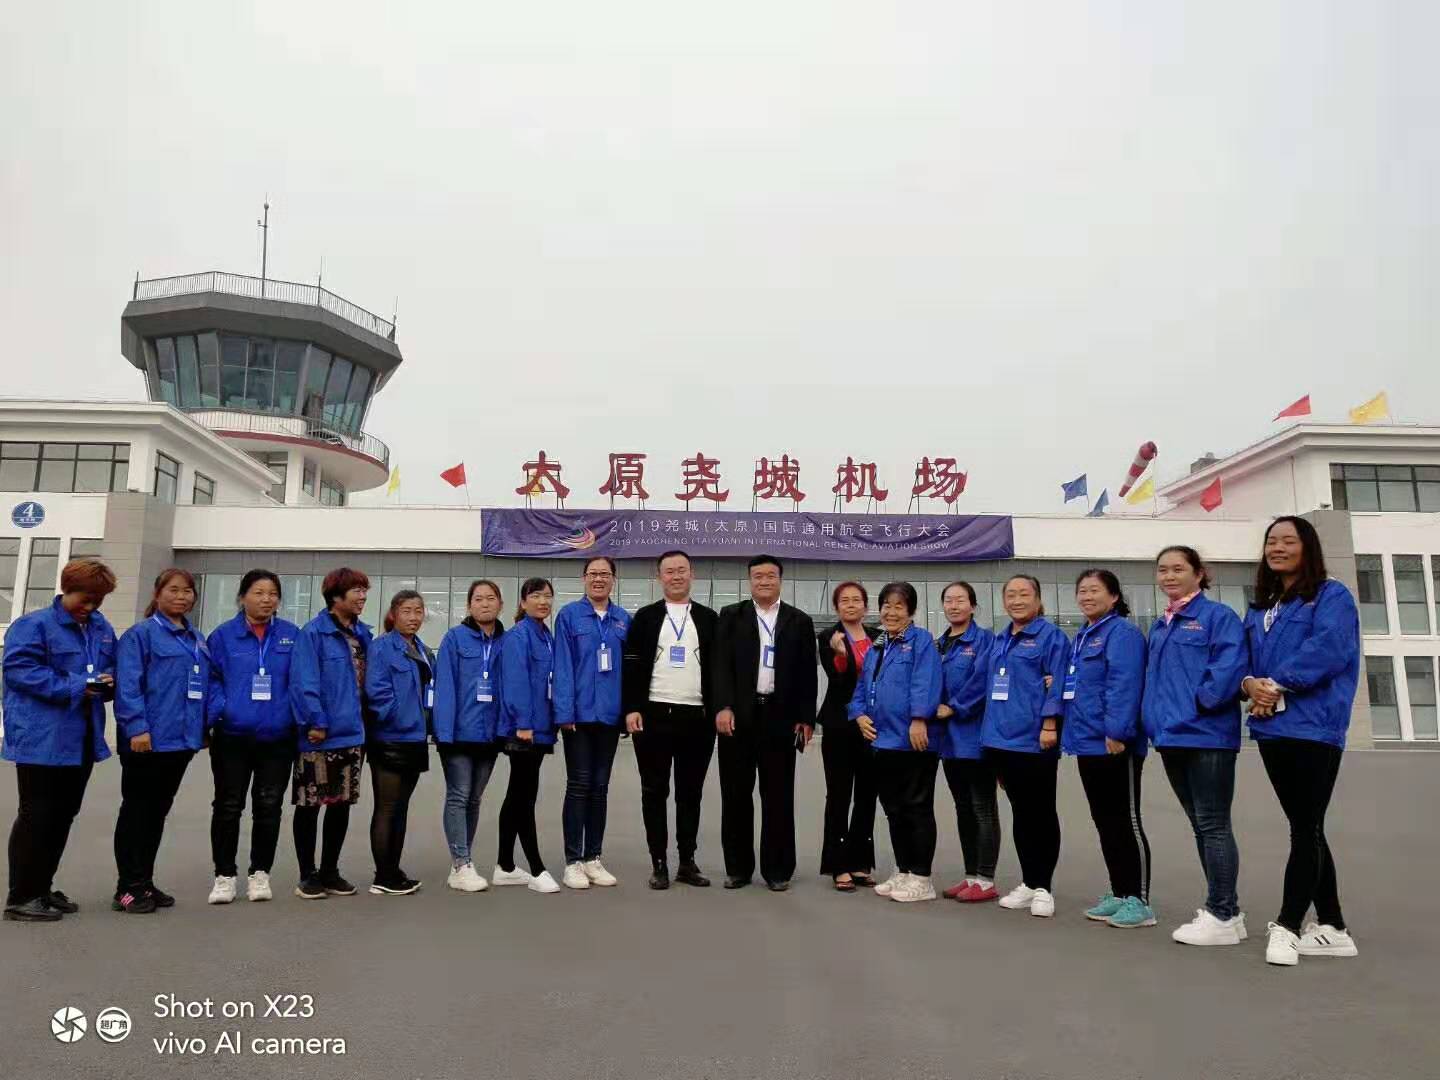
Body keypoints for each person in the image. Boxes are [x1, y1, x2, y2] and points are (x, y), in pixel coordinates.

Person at [1241, 516, 1361, 966]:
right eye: (1271, 541)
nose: (1277, 548)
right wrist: (1251, 684)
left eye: (1288, 541)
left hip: (1314, 727)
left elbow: (1329, 649)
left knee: (1304, 827)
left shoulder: (1331, 596)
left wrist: (1275, 684)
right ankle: (1333, 926)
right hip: (1272, 728)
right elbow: (1244, 659)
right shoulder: (1263, 607)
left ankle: (1289, 925)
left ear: (1307, 547)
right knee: (1307, 825)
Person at [2, 558, 118, 922]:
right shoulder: (34, 625)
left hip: (82, 736)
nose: (91, 605)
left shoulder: (100, 627)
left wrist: (108, 682)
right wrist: (78, 685)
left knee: (63, 815)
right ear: (67, 589)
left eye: (98, 599)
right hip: (42, 736)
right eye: (85, 597)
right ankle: (21, 896)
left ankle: (42, 887)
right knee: (36, 815)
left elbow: (111, 666)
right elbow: (19, 671)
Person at [1143, 545, 1248, 946]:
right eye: (1162, 570)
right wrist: (1154, 721)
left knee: (1213, 824)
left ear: (1199, 574)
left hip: (1207, 735)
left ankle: (1222, 913)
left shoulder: (1217, 617)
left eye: (1178, 569)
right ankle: (1226, 911)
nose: (1169, 576)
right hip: (1171, 736)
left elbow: (1228, 670)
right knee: (1200, 825)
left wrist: (1200, 705)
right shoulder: (1161, 624)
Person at [713, 554, 818, 891]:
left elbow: (807, 673)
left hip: (780, 718)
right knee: (735, 795)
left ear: (780, 580)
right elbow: (720, 666)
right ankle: (738, 869)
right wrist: (722, 707)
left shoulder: (799, 621)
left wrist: (806, 718)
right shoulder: (731, 616)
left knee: (778, 796)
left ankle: (778, 870)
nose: (764, 581)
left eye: (770, 576)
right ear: (750, 581)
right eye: (757, 576)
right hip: (738, 717)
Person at [113, 568, 214, 914]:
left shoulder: (196, 638)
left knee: (156, 813)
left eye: (187, 591)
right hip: (146, 740)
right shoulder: (140, 635)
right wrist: (136, 728)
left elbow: (203, 687)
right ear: (157, 594)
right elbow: (128, 686)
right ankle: (126, 887)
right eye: (174, 590)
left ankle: (144, 880)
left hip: (180, 742)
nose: (181, 596)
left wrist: (203, 727)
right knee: (136, 812)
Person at [622, 550, 720, 890]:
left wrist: (719, 709)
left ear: (692, 574)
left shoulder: (709, 618)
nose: (676, 576)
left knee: (690, 793)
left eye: (681, 570)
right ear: (659, 577)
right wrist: (631, 708)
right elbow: (631, 664)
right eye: (669, 571)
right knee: (654, 791)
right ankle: (659, 863)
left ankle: (687, 862)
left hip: (697, 718)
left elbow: (719, 670)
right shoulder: (646, 617)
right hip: (653, 716)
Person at [1061, 570, 1153, 928]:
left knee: (1126, 820)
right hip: (1087, 741)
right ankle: (1119, 891)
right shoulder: (1084, 636)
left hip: (1114, 741)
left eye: (1094, 590)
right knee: (1105, 821)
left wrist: (1117, 731)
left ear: (1114, 597)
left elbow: (1124, 683)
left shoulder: (1122, 633)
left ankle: (1139, 900)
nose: (1086, 596)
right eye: (1082, 591)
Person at [204, 570, 300, 905]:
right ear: (242, 597)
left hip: (277, 737)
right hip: (232, 735)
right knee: (228, 806)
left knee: (269, 805)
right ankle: (224, 875)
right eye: (259, 592)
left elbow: (299, 681)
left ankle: (260, 873)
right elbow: (212, 679)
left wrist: (293, 717)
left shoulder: (290, 636)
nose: (266, 600)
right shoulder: (223, 636)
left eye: (273, 593)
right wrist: (221, 710)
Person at [848, 582, 943, 902]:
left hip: (913, 741)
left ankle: (922, 878)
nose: (891, 612)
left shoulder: (921, 641)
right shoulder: (878, 645)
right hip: (882, 742)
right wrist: (858, 714)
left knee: (917, 807)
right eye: (886, 606)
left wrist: (919, 718)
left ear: (911, 611)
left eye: (898, 606)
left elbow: (926, 682)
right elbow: (862, 687)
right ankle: (904, 870)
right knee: (894, 809)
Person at [980, 574, 1068, 918]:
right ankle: (1029, 882)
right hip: (1001, 740)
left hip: (1034, 739)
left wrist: (1050, 723)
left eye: (1024, 594)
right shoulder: (1001, 638)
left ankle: (1044, 887)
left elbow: (1058, 683)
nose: (1017, 600)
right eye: (1011, 595)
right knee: (1020, 813)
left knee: (1041, 812)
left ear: (1038, 599)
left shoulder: (1051, 637)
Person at [289, 567, 374, 901]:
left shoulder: (363, 634)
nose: (363, 596)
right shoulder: (313, 633)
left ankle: (330, 871)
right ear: (336, 596)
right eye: (356, 590)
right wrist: (316, 721)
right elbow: (304, 682)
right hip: (320, 734)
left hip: (354, 734)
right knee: (310, 804)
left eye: (365, 590)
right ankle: (307, 874)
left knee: (341, 805)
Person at [553, 556, 631, 890]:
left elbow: (629, 670)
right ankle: (572, 861)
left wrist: (627, 712)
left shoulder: (623, 619)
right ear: (584, 578)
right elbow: (562, 665)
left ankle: (593, 857)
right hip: (579, 716)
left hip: (610, 715)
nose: (598, 579)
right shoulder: (569, 616)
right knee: (579, 785)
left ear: (613, 579)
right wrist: (564, 712)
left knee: (600, 788)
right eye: (593, 574)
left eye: (605, 574)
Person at [432, 579, 505, 893]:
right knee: (459, 795)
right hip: (459, 733)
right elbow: (445, 686)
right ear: (469, 605)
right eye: (478, 599)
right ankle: (462, 863)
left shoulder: (506, 641)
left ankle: (461, 863)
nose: (484, 604)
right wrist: (444, 733)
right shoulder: (455, 638)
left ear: (500, 604)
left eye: (490, 598)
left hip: (490, 734)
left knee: (474, 798)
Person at [363, 590, 435, 896]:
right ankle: (382, 875)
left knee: (401, 808)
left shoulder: (423, 649)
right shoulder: (381, 647)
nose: (413, 617)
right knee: (387, 807)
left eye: (418, 611)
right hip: (390, 738)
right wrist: (397, 717)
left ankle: (393, 869)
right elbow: (376, 692)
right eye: (407, 611)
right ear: (393, 614)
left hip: (416, 738)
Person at [493, 577, 561, 895]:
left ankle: (505, 865)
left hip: (541, 726)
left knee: (518, 795)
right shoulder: (519, 636)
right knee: (523, 797)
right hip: (525, 728)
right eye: (535, 596)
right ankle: (536, 867)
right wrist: (523, 722)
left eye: (547, 596)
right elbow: (516, 680)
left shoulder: (546, 635)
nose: (543, 602)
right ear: (522, 602)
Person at [933, 581, 999, 903]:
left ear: (973, 606)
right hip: (948, 742)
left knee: (982, 808)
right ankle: (971, 875)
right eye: (949, 600)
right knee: (963, 808)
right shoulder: (938, 644)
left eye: (961, 600)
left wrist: (955, 707)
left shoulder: (985, 640)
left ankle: (986, 880)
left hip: (975, 737)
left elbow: (982, 682)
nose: (954, 605)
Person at [816, 582, 881, 892]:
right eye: (845, 600)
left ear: (865, 606)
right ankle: (838, 865)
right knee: (839, 794)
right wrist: (841, 656)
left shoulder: (879, 636)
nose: (851, 605)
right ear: (837, 607)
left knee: (868, 795)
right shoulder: (829, 637)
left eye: (857, 600)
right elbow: (837, 679)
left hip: (873, 726)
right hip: (840, 724)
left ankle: (860, 863)